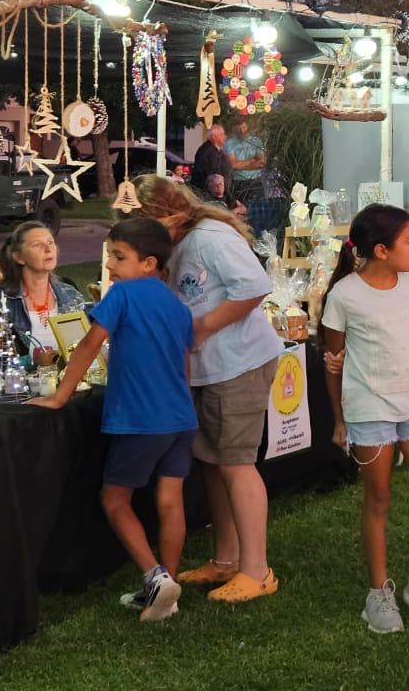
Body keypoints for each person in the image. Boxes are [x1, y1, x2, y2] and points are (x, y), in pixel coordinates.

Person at [29, 218, 197, 621]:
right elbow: (185, 363)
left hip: (142, 418)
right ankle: (167, 591)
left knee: (114, 498)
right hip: (180, 416)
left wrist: (60, 396)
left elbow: (90, 343)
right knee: (170, 500)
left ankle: (156, 579)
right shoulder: (177, 305)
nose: (109, 266)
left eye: (119, 257)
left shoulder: (122, 294)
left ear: (148, 262)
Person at [127, 175, 282, 601]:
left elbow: (254, 287)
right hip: (208, 369)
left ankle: (257, 570)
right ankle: (227, 560)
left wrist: (204, 327)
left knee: (235, 463)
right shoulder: (176, 244)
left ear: (163, 215)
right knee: (213, 462)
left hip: (239, 364)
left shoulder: (210, 237)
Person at [320, 205, 409, 634]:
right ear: (382, 250)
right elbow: (333, 362)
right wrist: (340, 420)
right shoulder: (345, 295)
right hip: (369, 410)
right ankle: (378, 593)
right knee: (379, 499)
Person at [0, 221, 87, 357]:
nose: (48, 249)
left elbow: (82, 350)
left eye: (50, 242)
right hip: (16, 371)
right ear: (19, 257)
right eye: (37, 245)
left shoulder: (70, 295)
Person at [225, 117, 265, 208]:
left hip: (256, 181)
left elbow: (261, 163)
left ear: (247, 127)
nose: (242, 131)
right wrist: (252, 161)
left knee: (258, 208)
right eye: (239, 129)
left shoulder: (256, 141)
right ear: (234, 129)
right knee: (240, 209)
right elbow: (233, 165)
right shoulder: (229, 143)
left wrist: (241, 164)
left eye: (244, 128)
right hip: (238, 182)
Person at [192, 124, 233, 206]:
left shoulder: (215, 150)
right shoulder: (209, 151)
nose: (225, 137)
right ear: (214, 137)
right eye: (222, 134)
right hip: (211, 195)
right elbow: (213, 174)